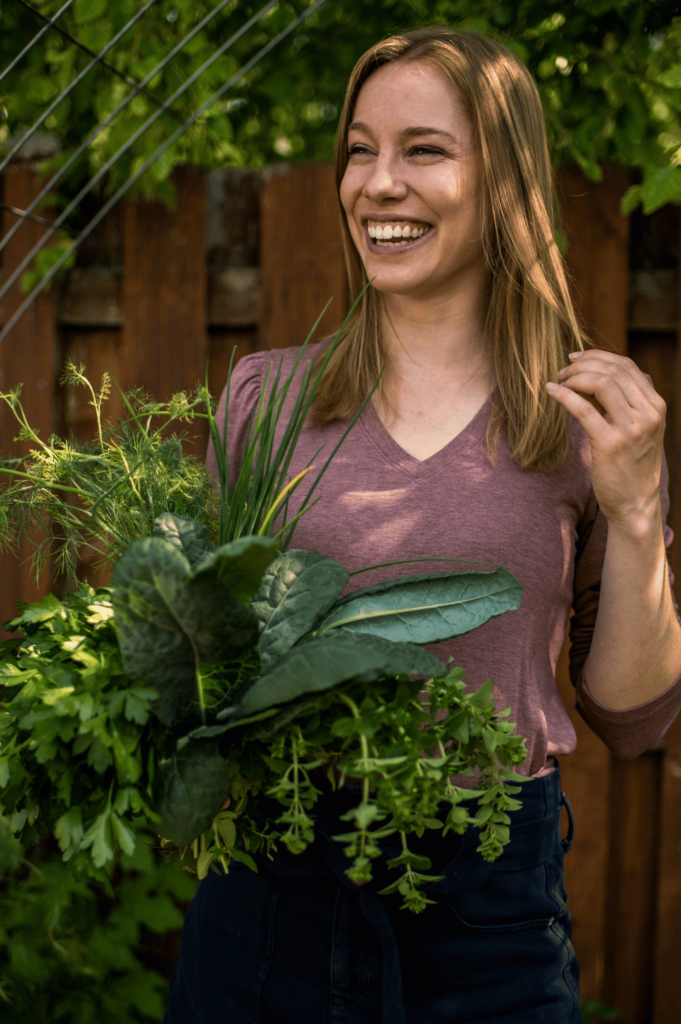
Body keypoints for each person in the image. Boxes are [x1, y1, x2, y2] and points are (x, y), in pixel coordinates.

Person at [165, 26, 681, 1024]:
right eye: (360, 149)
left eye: (424, 150)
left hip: (488, 917)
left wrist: (636, 507)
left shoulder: (584, 422)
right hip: (269, 898)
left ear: (506, 182)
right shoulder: (264, 400)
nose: (378, 183)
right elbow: (207, 671)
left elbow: (634, 714)